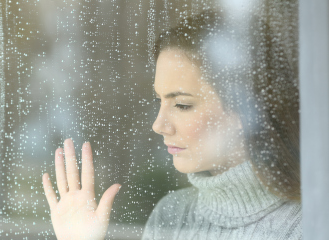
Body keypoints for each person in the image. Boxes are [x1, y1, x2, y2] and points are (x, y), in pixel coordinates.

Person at [42, 9, 301, 240]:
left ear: (246, 108)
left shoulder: (309, 224)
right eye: (159, 100)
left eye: (182, 105)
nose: (158, 125)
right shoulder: (171, 215)